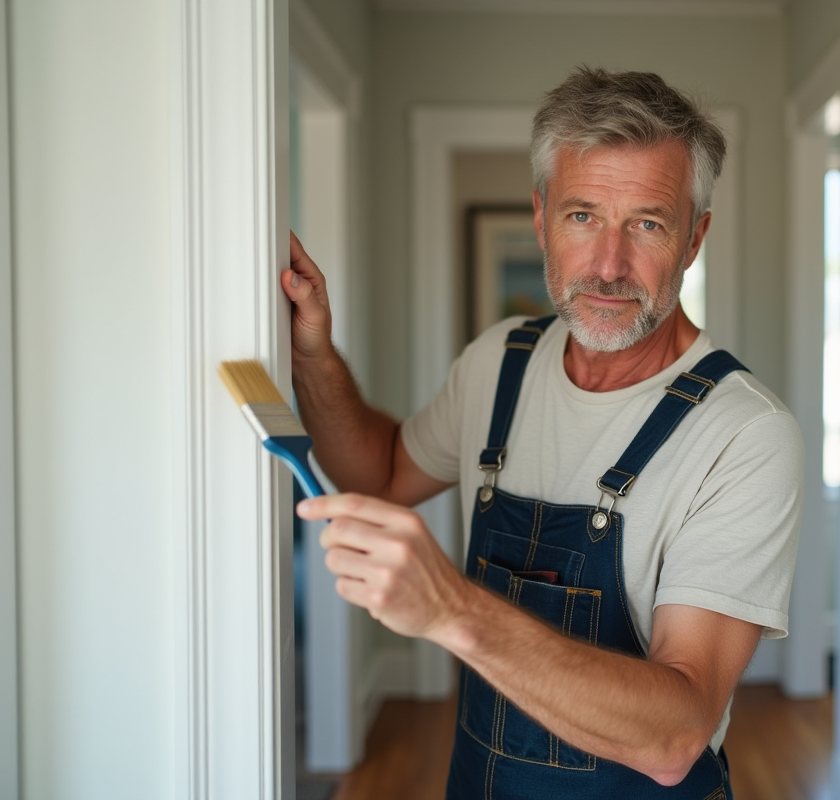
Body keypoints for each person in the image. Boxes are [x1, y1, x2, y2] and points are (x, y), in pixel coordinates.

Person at [285, 67, 804, 799]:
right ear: (541, 219)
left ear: (694, 238)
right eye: (583, 216)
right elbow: (380, 472)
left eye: (648, 224)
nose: (609, 266)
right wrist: (313, 355)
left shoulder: (745, 432)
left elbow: (676, 734)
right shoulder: (501, 359)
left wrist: (453, 610)